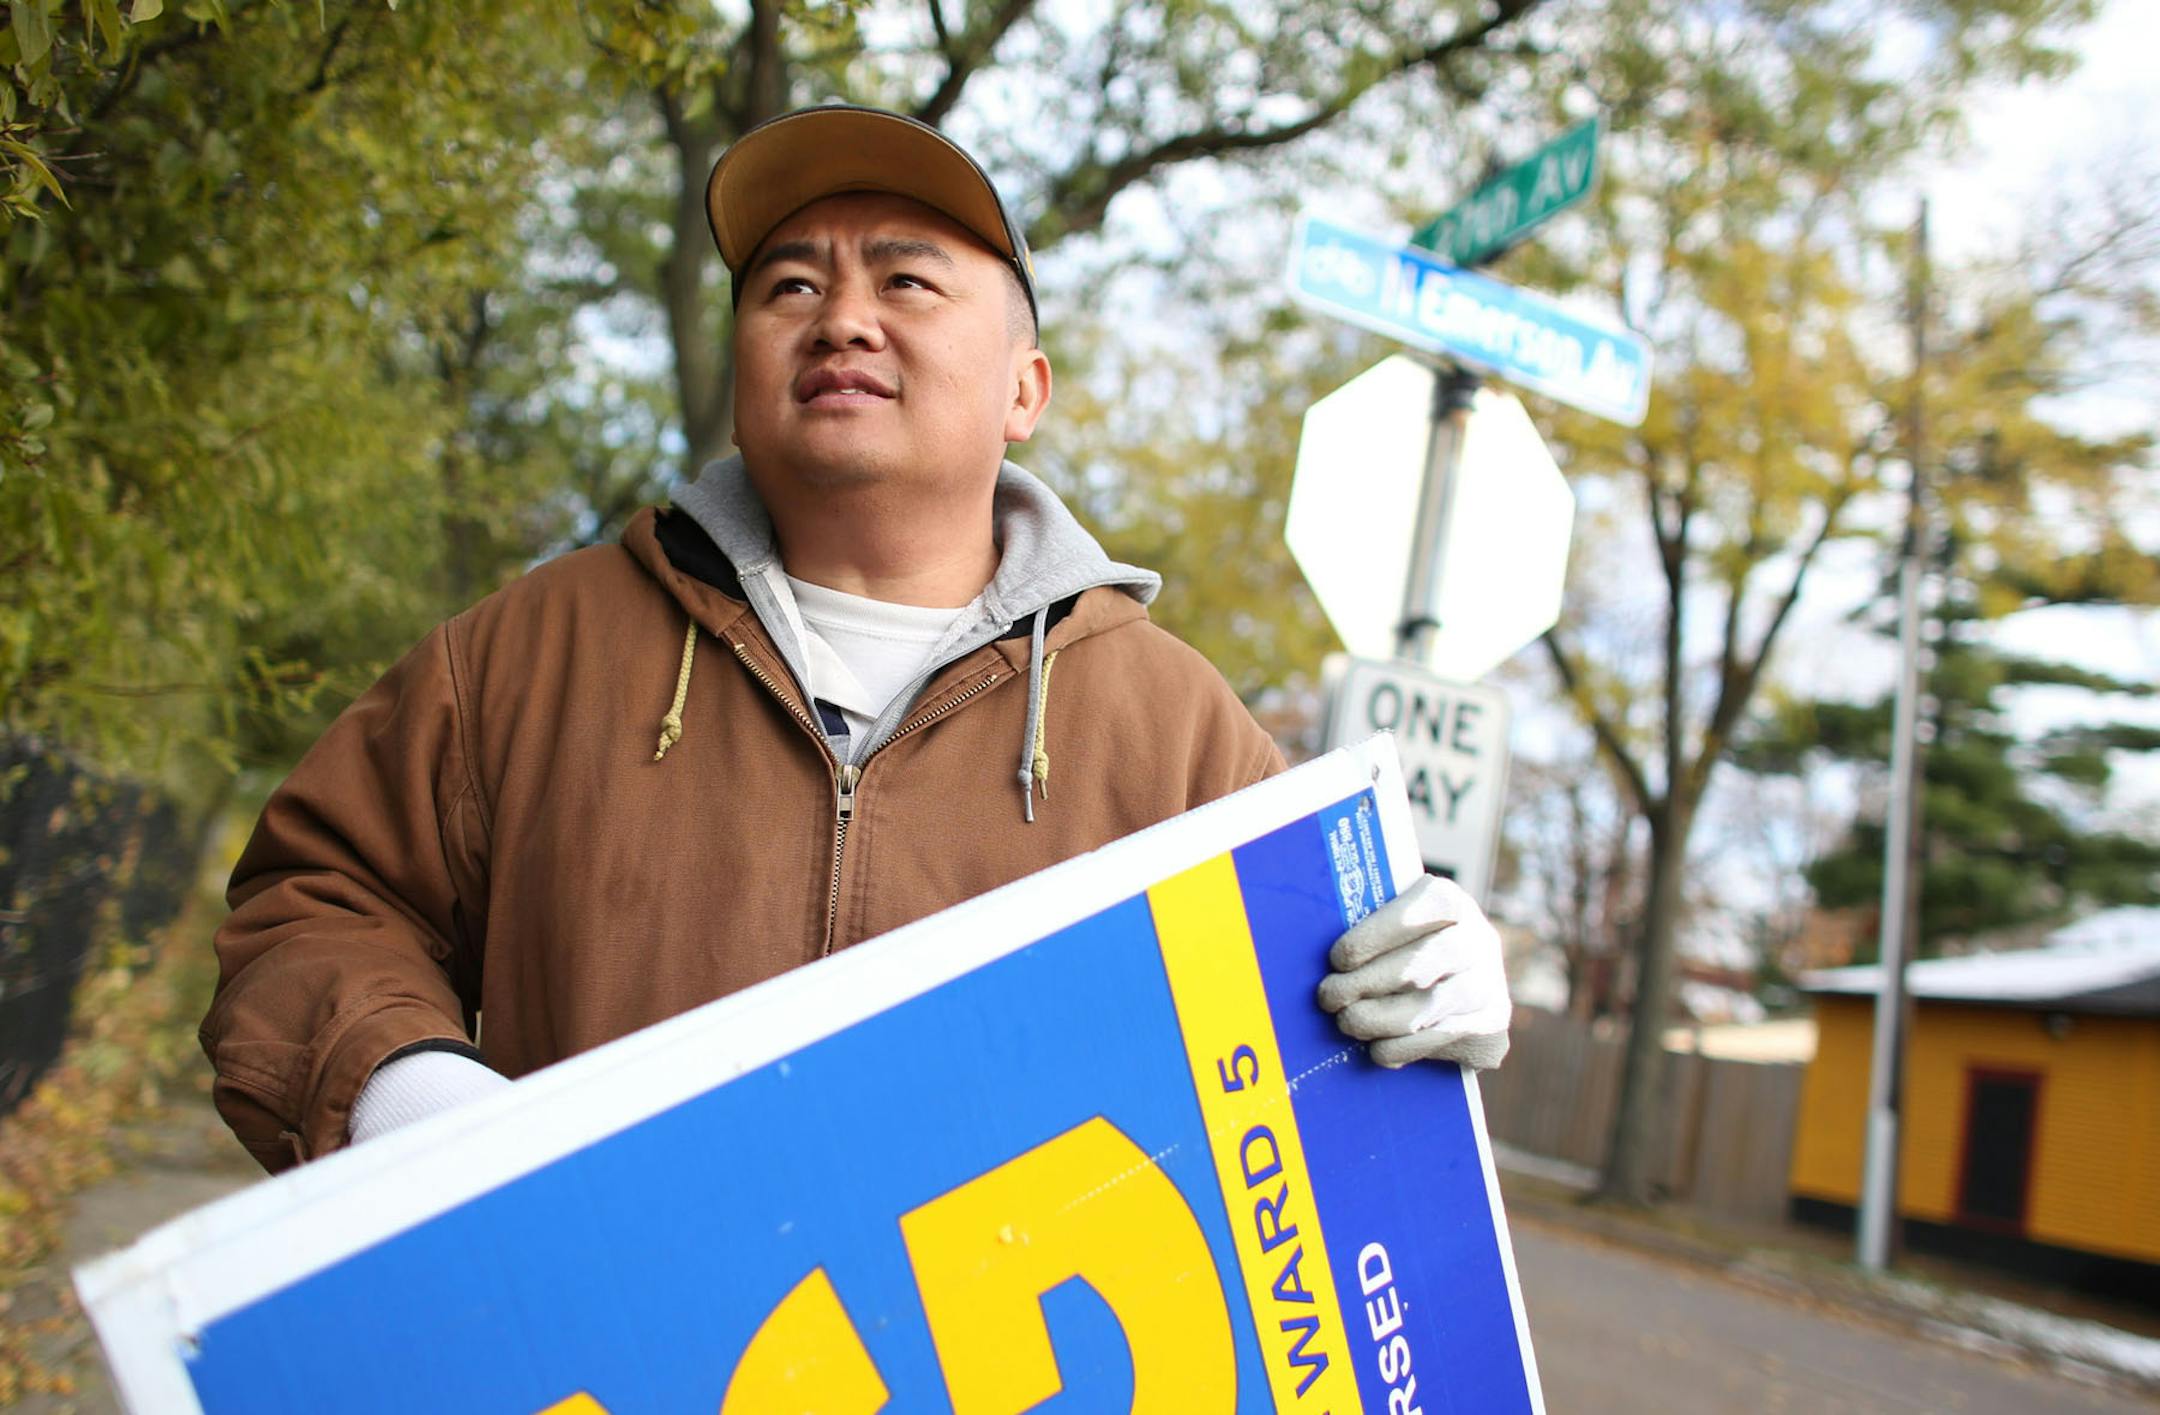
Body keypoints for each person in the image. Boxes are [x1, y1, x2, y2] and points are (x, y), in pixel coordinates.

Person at [199, 106, 1510, 1172]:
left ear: (1024, 390)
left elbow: (1306, 1090)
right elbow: (314, 906)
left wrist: (1422, 1001)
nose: (839, 317)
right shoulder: (529, 653)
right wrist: (401, 1093)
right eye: (787, 284)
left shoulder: (1181, 741)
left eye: (906, 279)